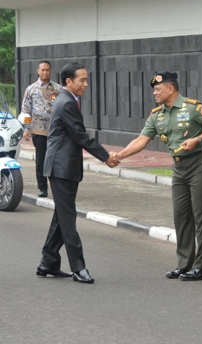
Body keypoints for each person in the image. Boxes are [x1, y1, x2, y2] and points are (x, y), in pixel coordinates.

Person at [114, 71, 202, 281]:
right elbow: (141, 140)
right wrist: (119, 156)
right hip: (179, 168)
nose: (155, 93)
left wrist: (197, 139)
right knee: (181, 216)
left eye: (158, 89)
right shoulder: (158, 115)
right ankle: (184, 264)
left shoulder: (192, 107)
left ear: (171, 88)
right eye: (154, 90)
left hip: (200, 164)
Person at [38, 62, 118, 284]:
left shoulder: (67, 100)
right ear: (68, 82)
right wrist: (106, 157)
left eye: (86, 79)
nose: (86, 84)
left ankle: (49, 261)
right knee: (68, 218)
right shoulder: (66, 103)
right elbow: (80, 136)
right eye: (82, 80)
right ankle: (78, 268)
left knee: (61, 217)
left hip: (64, 167)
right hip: (61, 169)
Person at [21, 60, 62, 197]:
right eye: (43, 70)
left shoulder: (57, 89)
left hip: (56, 130)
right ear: (38, 71)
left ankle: (57, 186)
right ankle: (42, 188)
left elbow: (63, 108)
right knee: (41, 160)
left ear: (51, 71)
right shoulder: (31, 89)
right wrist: (26, 128)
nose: (45, 72)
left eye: (47, 70)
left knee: (56, 159)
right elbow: (25, 110)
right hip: (39, 130)